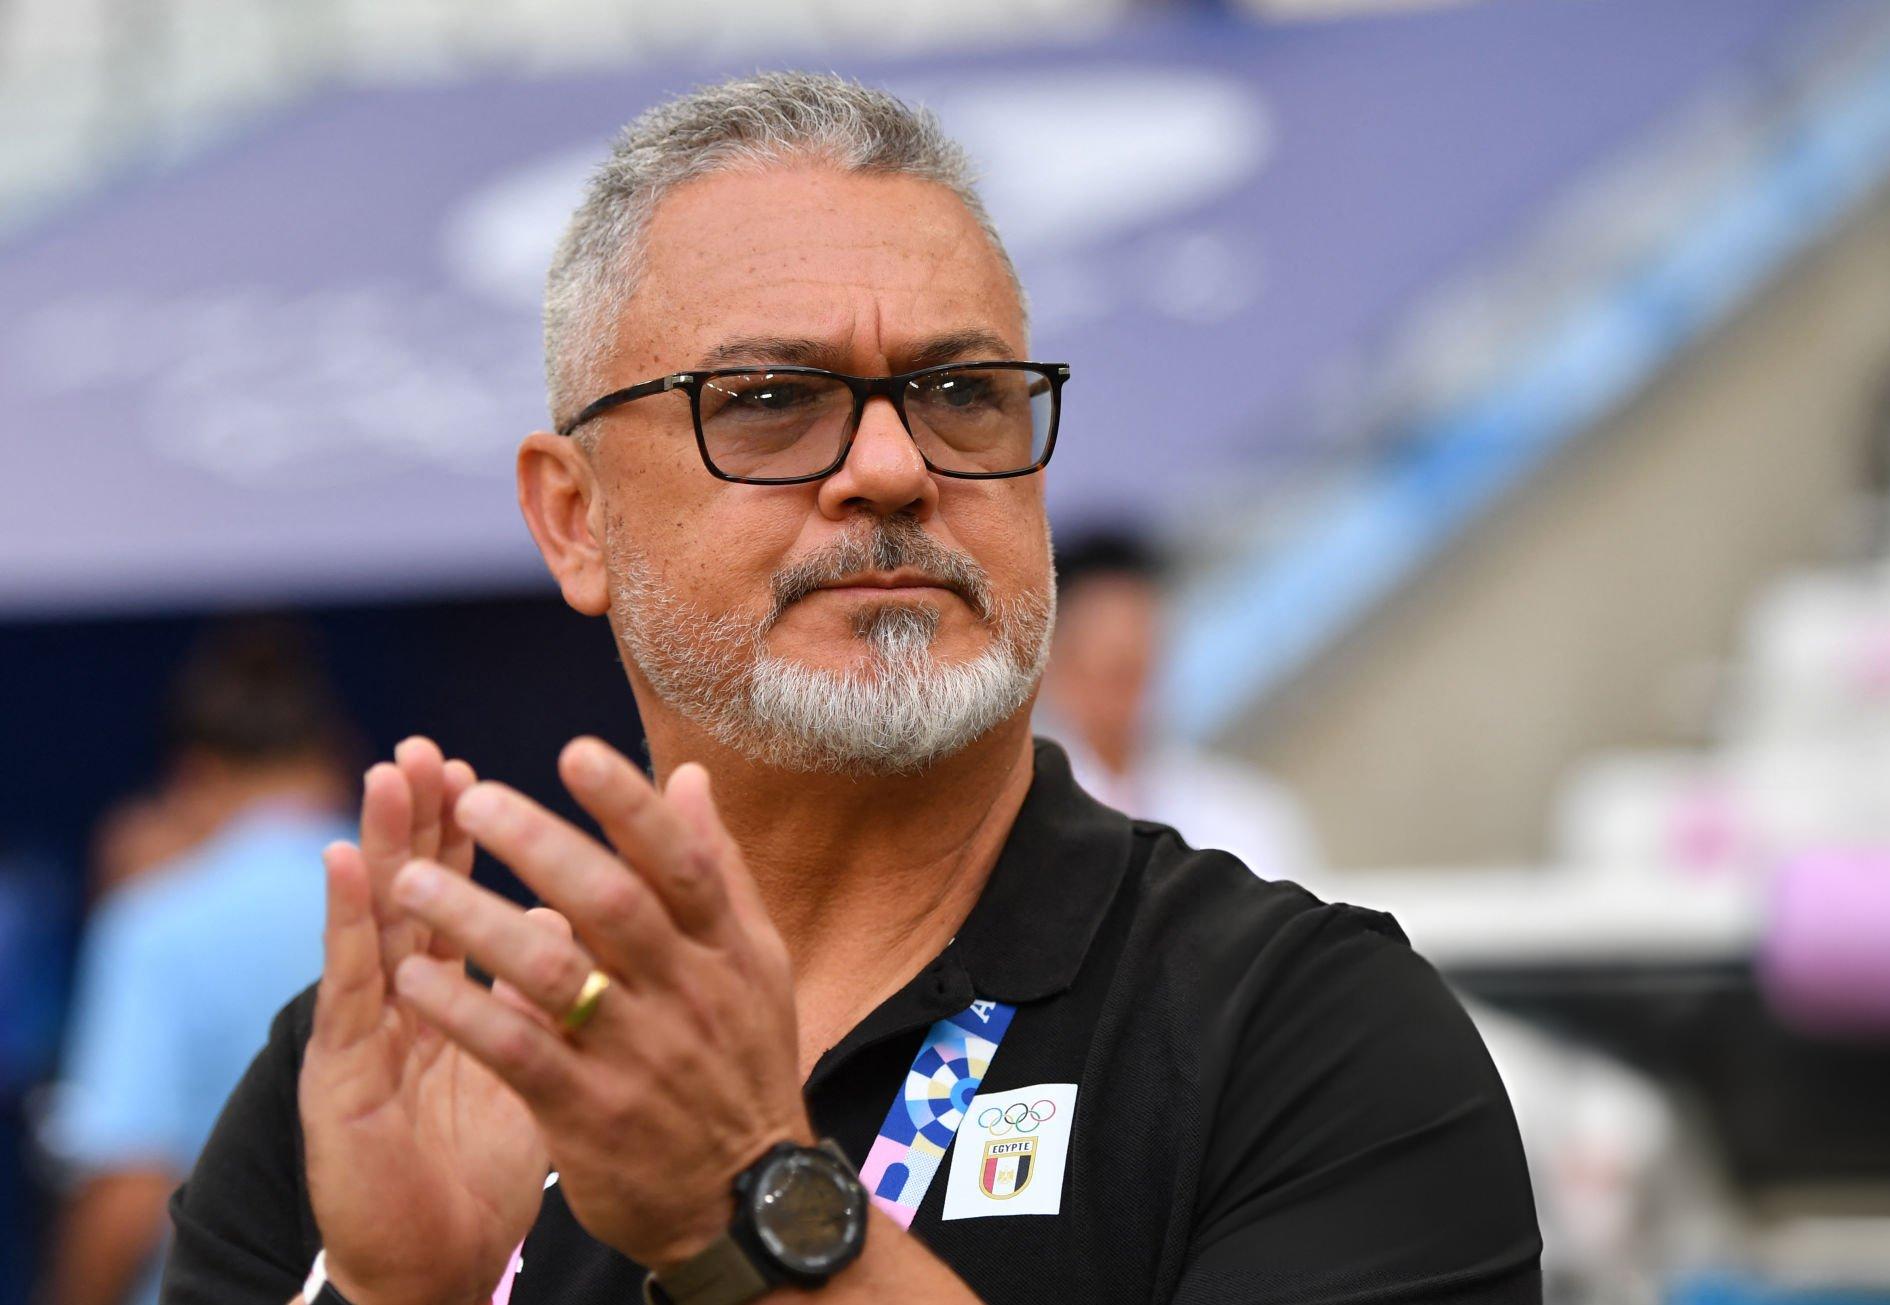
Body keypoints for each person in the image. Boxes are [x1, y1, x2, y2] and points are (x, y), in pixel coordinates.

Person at [164, 73, 1541, 1305]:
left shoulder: (1299, 1034)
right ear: (574, 518)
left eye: (963, 392)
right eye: (771, 398)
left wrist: (746, 1213)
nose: (891, 467)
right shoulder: (402, 1058)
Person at [41, 620, 356, 1305]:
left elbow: (127, 1187)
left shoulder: (155, 920)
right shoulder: (426, 900)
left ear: (192, 776)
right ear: (332, 756)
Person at [1038, 528, 1325, 884]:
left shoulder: (1248, 815)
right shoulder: (1020, 822)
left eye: (1138, 668)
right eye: (1111, 670)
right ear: (1052, 664)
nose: (1128, 694)